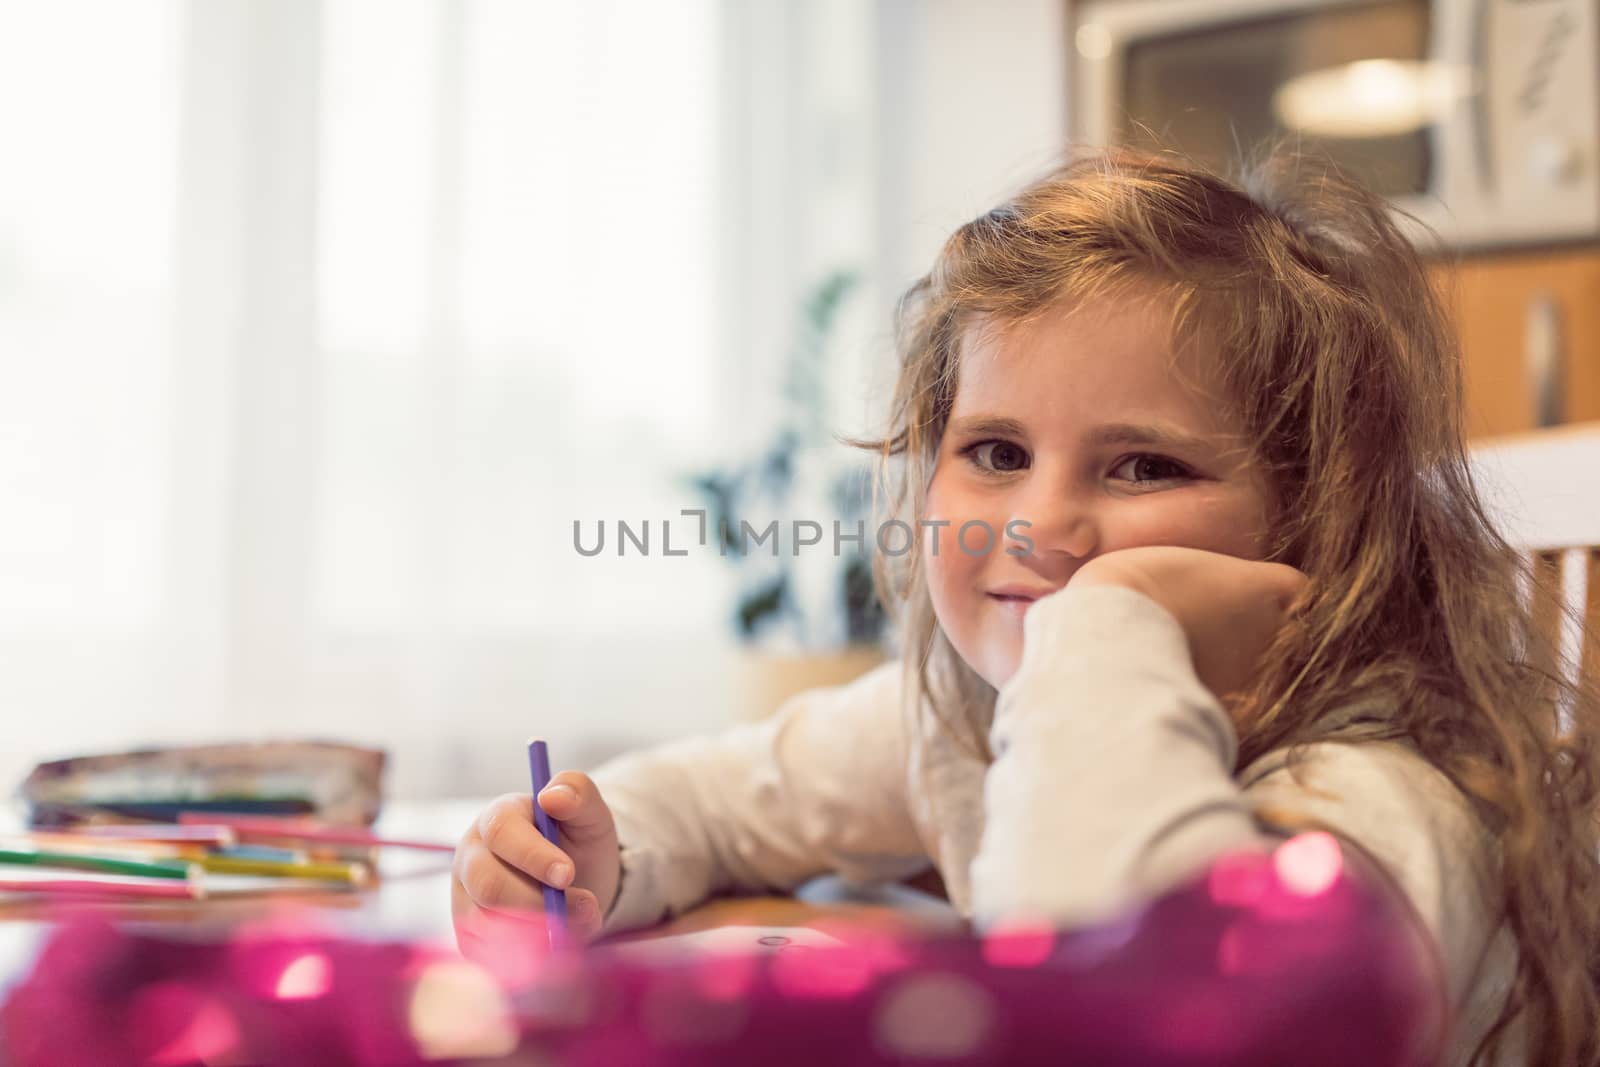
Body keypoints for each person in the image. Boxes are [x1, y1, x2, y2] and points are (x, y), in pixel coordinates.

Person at [451, 146, 1600, 1065]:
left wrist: (1109, 624)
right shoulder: (959, 713)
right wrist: (597, 862)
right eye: (993, 449)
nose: (1036, 527)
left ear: (1315, 518)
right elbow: (726, 796)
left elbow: (1134, 993)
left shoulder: (1380, 792)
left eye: (1144, 465)